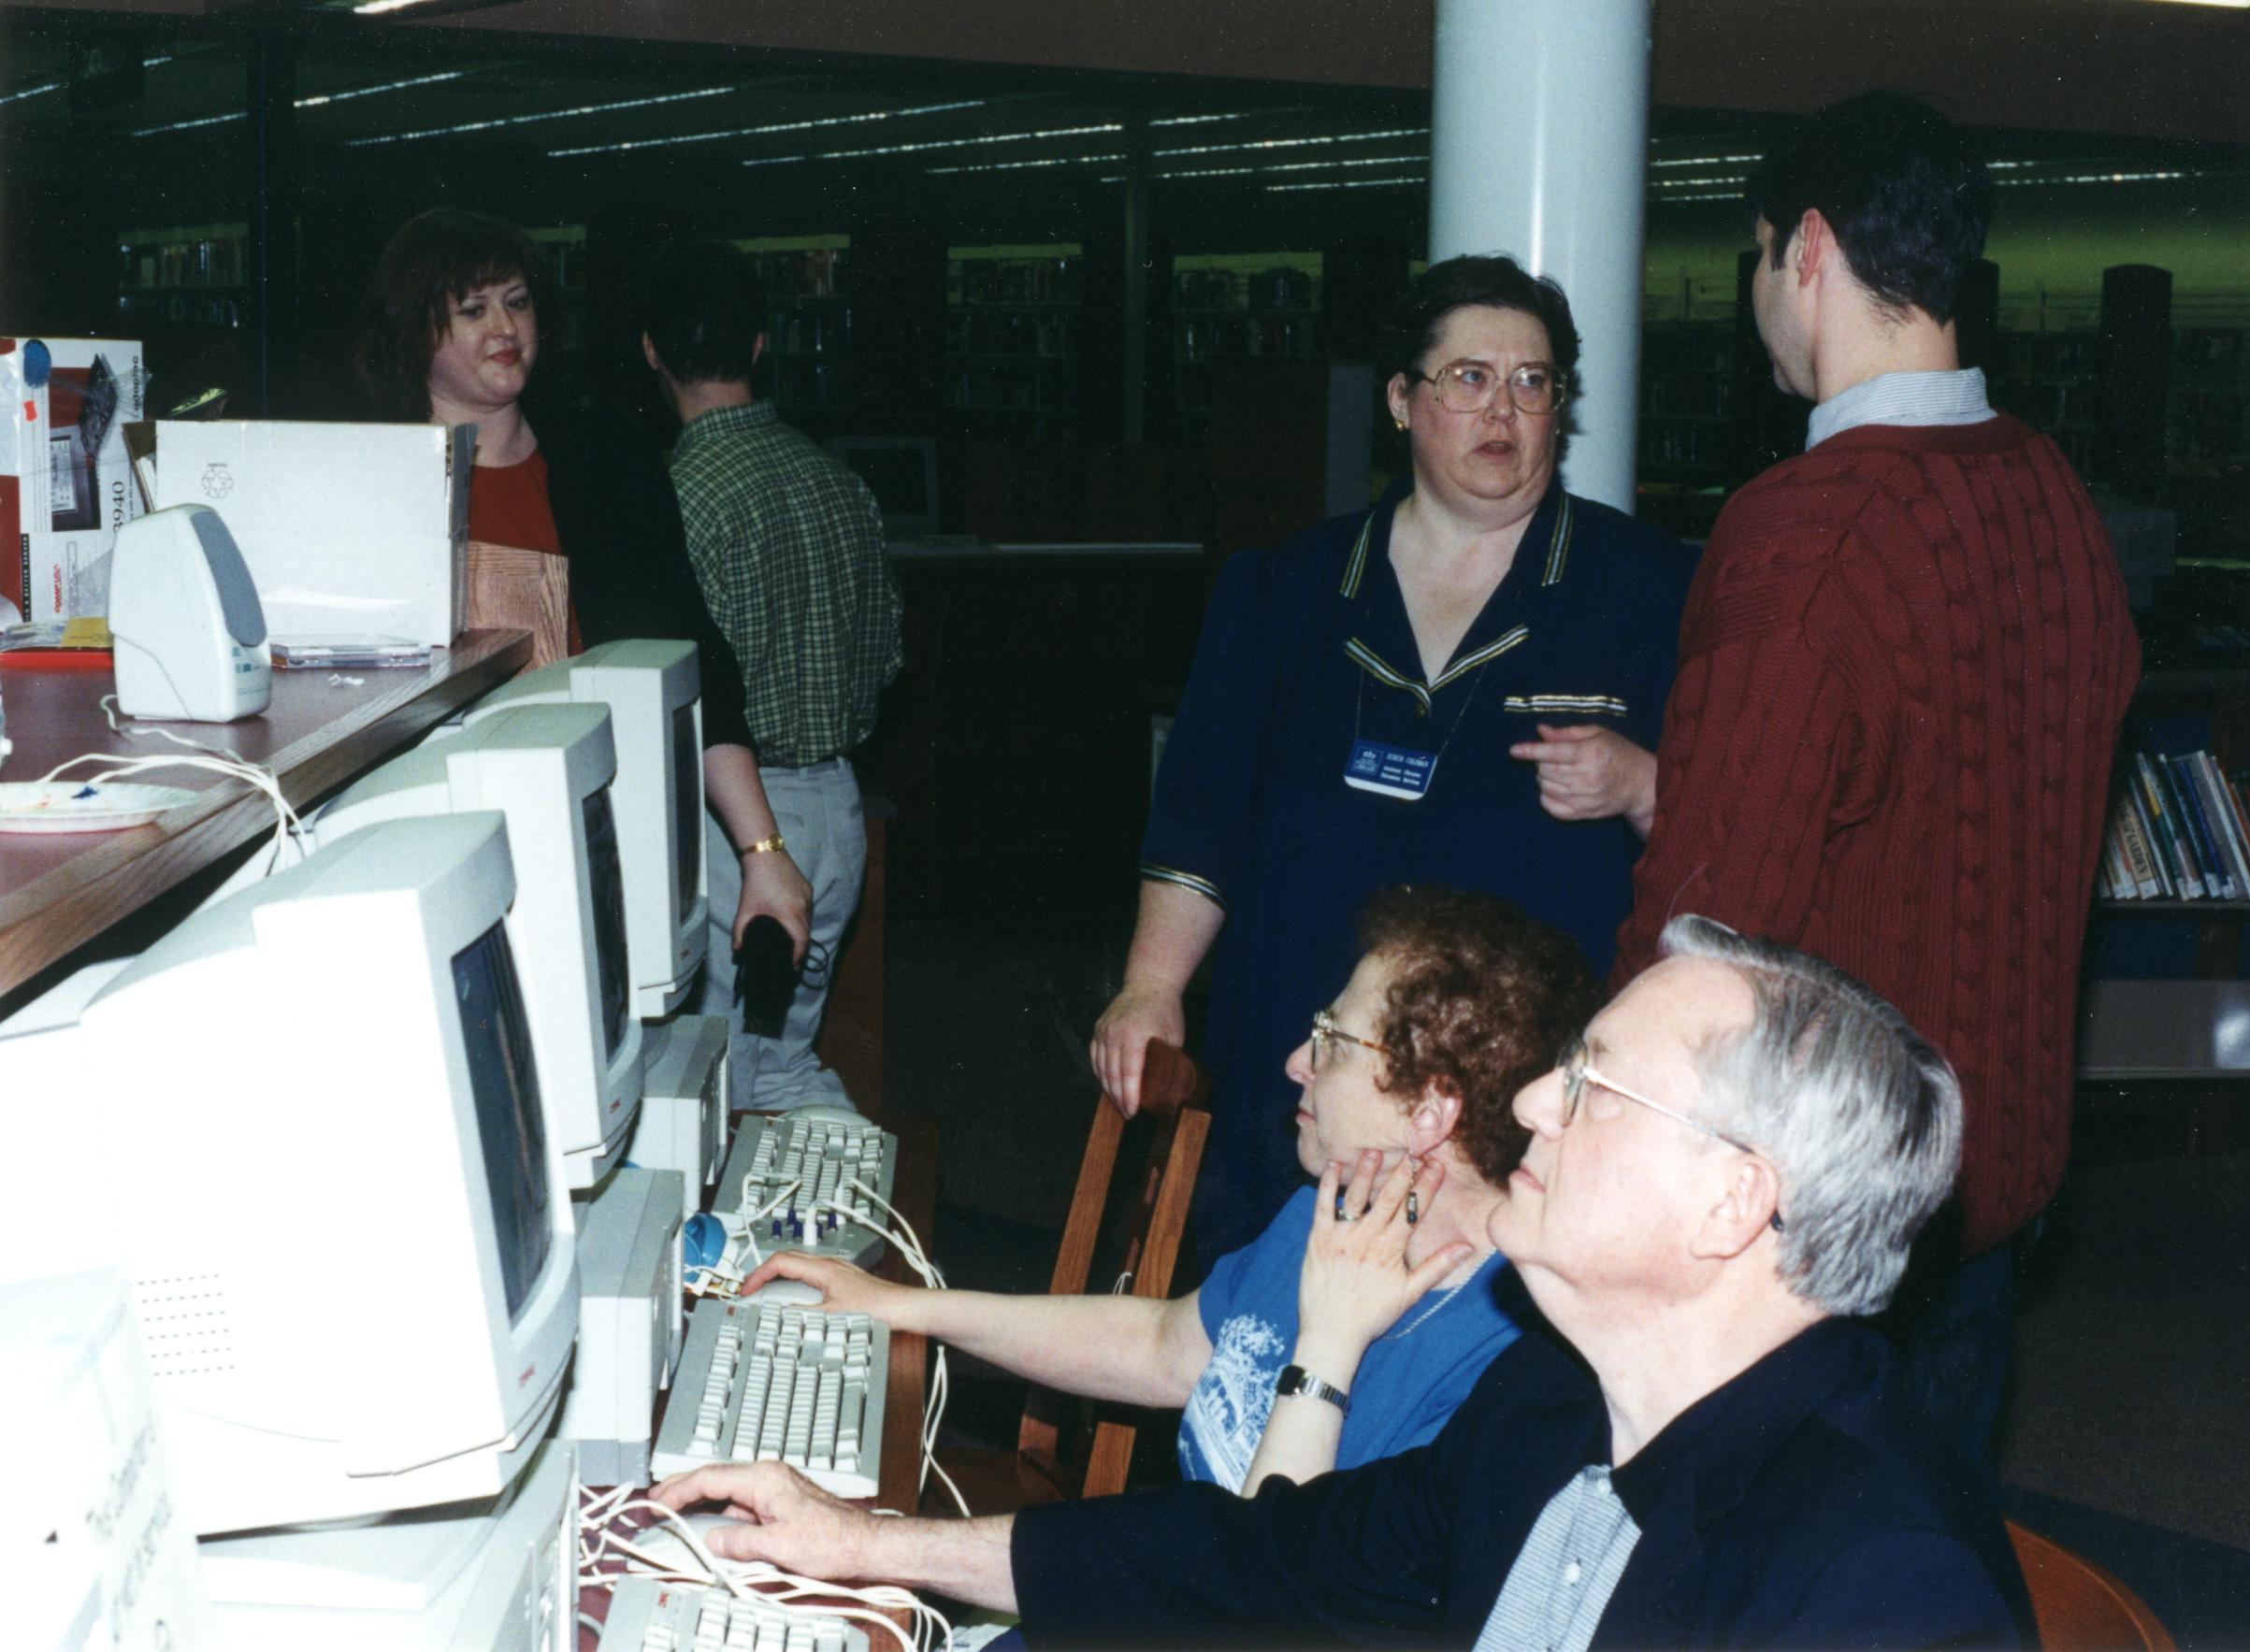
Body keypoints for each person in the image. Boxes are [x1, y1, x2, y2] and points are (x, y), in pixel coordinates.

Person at [653, 915, 2032, 1648]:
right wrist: (864, 1541)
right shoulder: (1558, 1411)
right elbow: (1261, 1556)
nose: (1539, 1096)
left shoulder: (1885, 1581)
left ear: (1735, 1199)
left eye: (1598, 1085)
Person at [1611, 92, 2142, 1462]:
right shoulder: (2056, 499)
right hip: (1987, 1183)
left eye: (1753, 258)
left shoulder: (1808, 527)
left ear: (1807, 249)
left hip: (1815, 1218)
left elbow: (1707, 922)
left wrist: (1590, 1117)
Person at [1094, 254, 1695, 1265]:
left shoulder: (1651, 591)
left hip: (1518, 1083)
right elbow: (1200, 816)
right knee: (1264, 1326)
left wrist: (1642, 784)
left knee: (1479, 1369)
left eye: (1532, 382)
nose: (1502, 409)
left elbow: (1731, 820)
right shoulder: (1283, 591)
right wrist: (1149, 986)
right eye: (1467, 378)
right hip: (1297, 1053)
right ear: (1400, 401)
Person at [738, 886, 1599, 1492]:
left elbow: (1268, 1603)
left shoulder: (1501, 1371)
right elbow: (1159, 1345)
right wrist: (903, 1305)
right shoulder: (1337, 1212)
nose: (1297, 1063)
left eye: (1332, 1043)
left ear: (1430, 1111)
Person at [354, 208, 813, 966]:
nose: (505, 325)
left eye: (518, 300)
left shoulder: (607, 460)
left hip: (600, 830)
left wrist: (762, 848)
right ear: (413, 333)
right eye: (473, 309)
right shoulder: (368, 478)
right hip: (427, 844)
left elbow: (694, 652)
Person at [639, 245, 905, 1113]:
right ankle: (839, 1223)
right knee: (778, 1063)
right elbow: (889, 654)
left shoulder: (675, 496)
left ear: (651, 351)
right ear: (759, 346)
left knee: (703, 1082)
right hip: (836, 805)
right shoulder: (841, 482)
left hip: (736, 824)